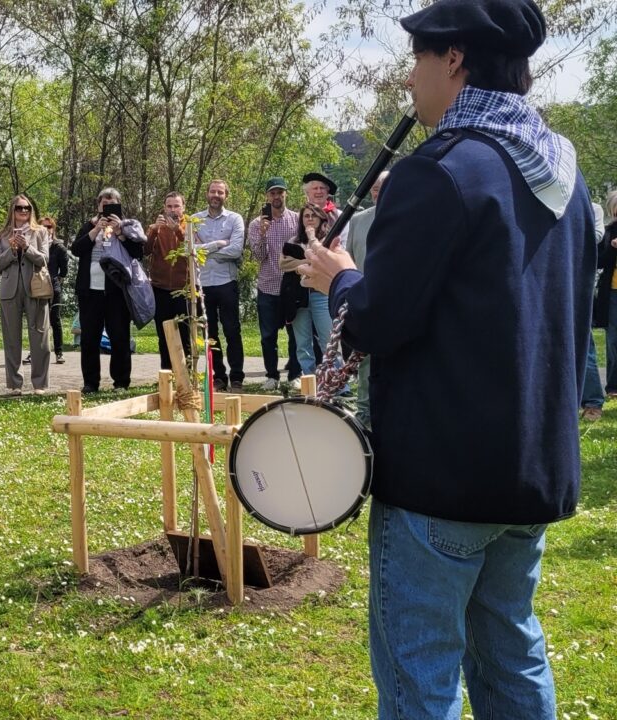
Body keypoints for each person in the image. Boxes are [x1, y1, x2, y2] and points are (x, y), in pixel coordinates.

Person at [298, 0, 595, 715]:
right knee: (511, 658)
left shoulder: (441, 170)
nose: (409, 82)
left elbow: (384, 317)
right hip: (528, 470)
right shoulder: (566, 177)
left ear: (453, 58)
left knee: (420, 678)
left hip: (441, 478)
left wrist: (339, 276)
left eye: (417, 61)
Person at [72, 187, 146, 393]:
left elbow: (138, 253)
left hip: (116, 292)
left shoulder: (127, 227)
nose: (106, 208)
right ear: (98, 205)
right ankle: (90, 383)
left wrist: (120, 232)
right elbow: (76, 250)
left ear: (118, 205)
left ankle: (121, 382)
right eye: (103, 205)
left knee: (119, 337)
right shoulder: (89, 225)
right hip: (90, 291)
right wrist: (95, 230)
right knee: (89, 339)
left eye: (111, 204)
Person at [342, 171, 388, 428]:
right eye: (374, 189)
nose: (377, 192)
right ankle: (364, 416)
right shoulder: (358, 221)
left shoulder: (404, 217)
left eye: (383, 187)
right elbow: (348, 259)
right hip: (364, 298)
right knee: (363, 361)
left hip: (393, 300)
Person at [190, 180, 247, 389]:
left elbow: (236, 251)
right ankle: (219, 376)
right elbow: (191, 251)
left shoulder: (235, 219)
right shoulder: (194, 220)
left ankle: (237, 376)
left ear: (226, 195)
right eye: (213, 191)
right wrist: (217, 244)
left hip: (226, 283)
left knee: (232, 330)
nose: (216, 195)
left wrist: (204, 250)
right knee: (209, 334)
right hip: (202, 284)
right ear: (207, 194)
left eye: (220, 192)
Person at [247, 177, 301, 390]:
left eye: (280, 192)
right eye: (272, 193)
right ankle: (271, 375)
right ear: (267, 196)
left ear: (286, 193)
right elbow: (259, 257)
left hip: (292, 286)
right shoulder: (256, 224)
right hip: (267, 287)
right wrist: (262, 234)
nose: (276, 196)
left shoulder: (297, 220)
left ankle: (295, 374)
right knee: (268, 336)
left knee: (295, 335)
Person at [0, 194, 52, 394]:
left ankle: (40, 383)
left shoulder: (41, 232)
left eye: (27, 208)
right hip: (10, 290)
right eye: (19, 208)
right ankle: (14, 384)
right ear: (12, 210)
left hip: (36, 288)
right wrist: (11, 249)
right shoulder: (2, 235)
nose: (24, 211)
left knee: (40, 338)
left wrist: (26, 247)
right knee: (11, 339)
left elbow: (44, 260)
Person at [283, 203, 335, 376]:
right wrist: (306, 263)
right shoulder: (293, 241)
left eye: (314, 215)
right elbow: (283, 264)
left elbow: (327, 263)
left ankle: (337, 385)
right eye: (306, 216)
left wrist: (298, 264)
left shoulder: (329, 240)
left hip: (322, 295)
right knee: (303, 343)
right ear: (301, 220)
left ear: (321, 219)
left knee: (328, 341)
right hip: (299, 298)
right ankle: (310, 381)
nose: (310, 219)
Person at [146, 191, 191, 370]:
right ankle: (167, 374)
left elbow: (192, 249)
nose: (173, 210)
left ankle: (186, 374)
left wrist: (177, 231)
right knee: (164, 334)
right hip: (160, 288)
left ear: (183, 208)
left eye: (176, 206)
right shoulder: (156, 227)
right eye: (169, 206)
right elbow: (145, 250)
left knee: (185, 333)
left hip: (184, 289)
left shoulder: (190, 225)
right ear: (164, 208)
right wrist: (153, 231)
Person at [42, 216, 70, 363]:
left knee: (55, 320)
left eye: (49, 226)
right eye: (43, 226)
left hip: (53, 287)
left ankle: (59, 352)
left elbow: (64, 271)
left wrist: (56, 279)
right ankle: (36, 352)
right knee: (38, 321)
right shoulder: (34, 245)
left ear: (53, 229)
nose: (46, 229)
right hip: (37, 288)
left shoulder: (59, 248)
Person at [598, 190, 617, 400]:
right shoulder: (608, 232)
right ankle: (613, 385)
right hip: (612, 291)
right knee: (613, 340)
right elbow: (599, 261)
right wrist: (612, 249)